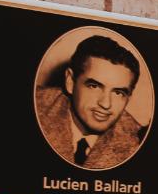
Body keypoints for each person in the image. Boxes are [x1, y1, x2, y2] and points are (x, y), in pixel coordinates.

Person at [36, 33, 148, 170]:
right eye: (94, 86)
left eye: (118, 93)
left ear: (128, 97)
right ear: (70, 82)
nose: (106, 104)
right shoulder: (38, 105)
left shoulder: (137, 141)